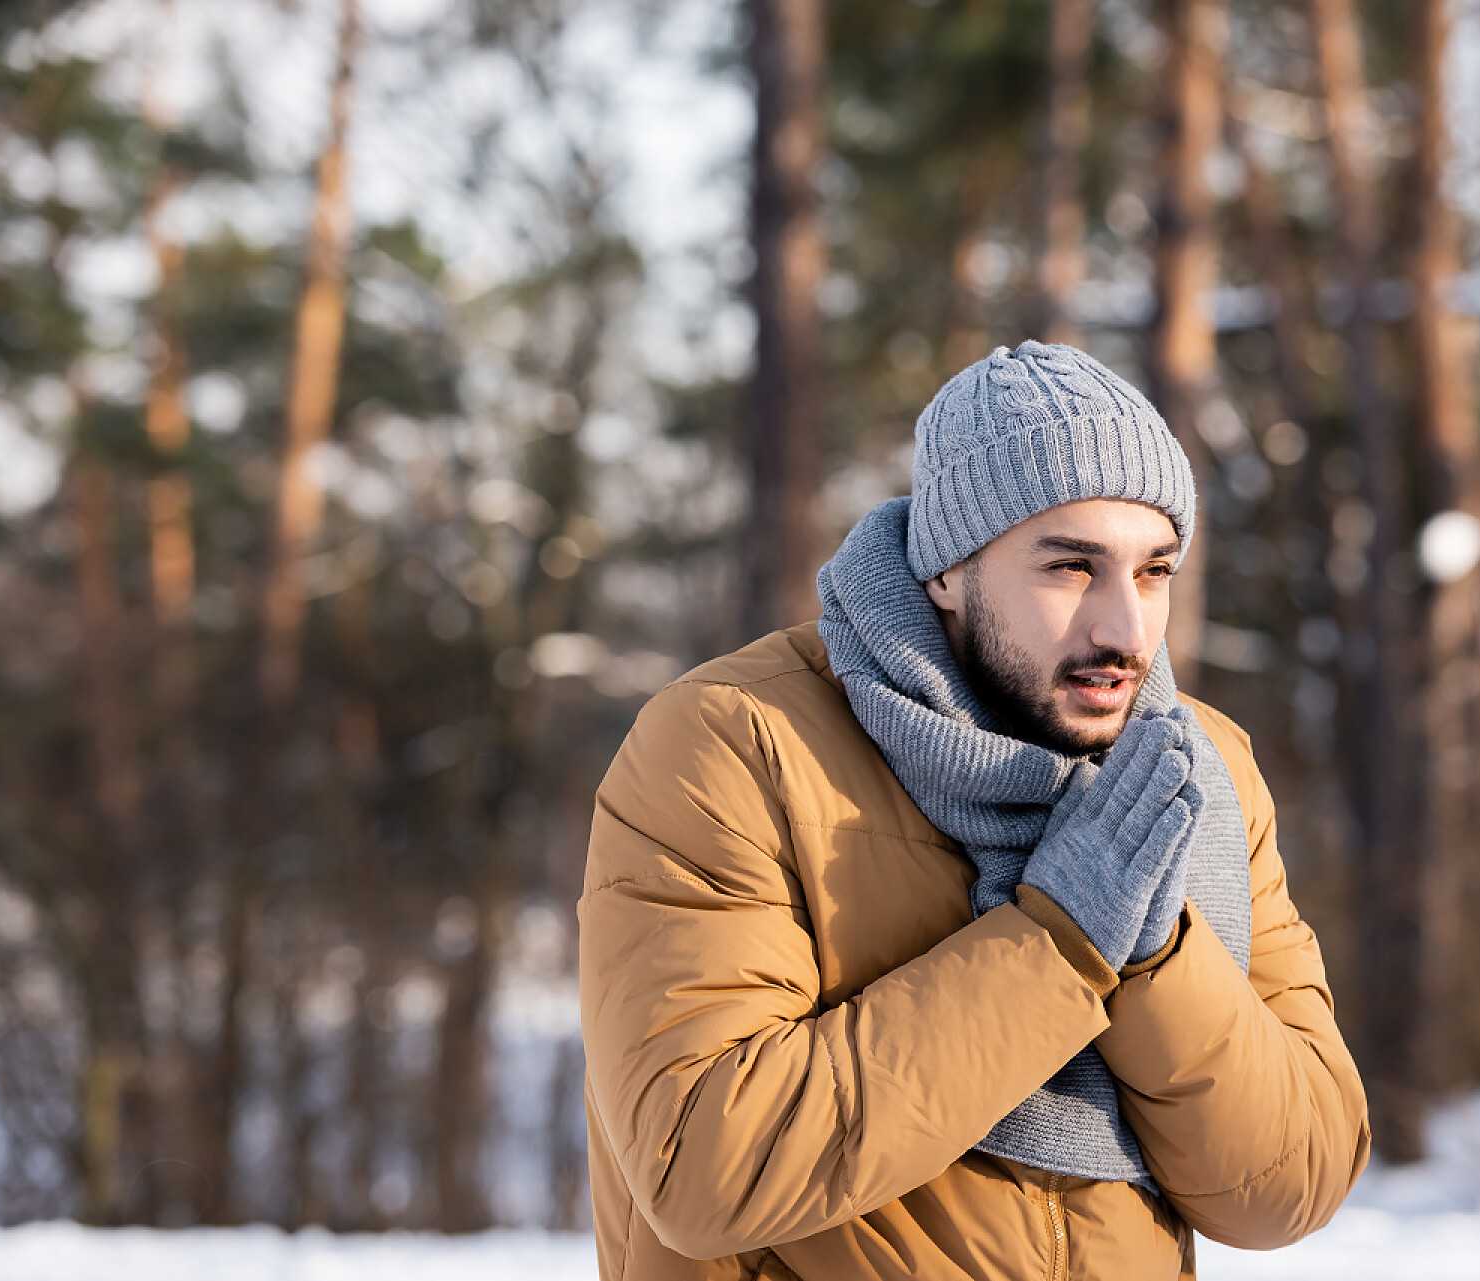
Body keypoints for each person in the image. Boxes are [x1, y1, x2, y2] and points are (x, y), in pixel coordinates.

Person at [580, 341, 1369, 1280]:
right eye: (1070, 567)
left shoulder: (1196, 773)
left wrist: (1158, 956)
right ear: (947, 569)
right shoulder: (736, 744)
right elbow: (702, 1166)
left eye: (1154, 571)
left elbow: (1293, 1182)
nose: (1125, 628)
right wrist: (1058, 942)